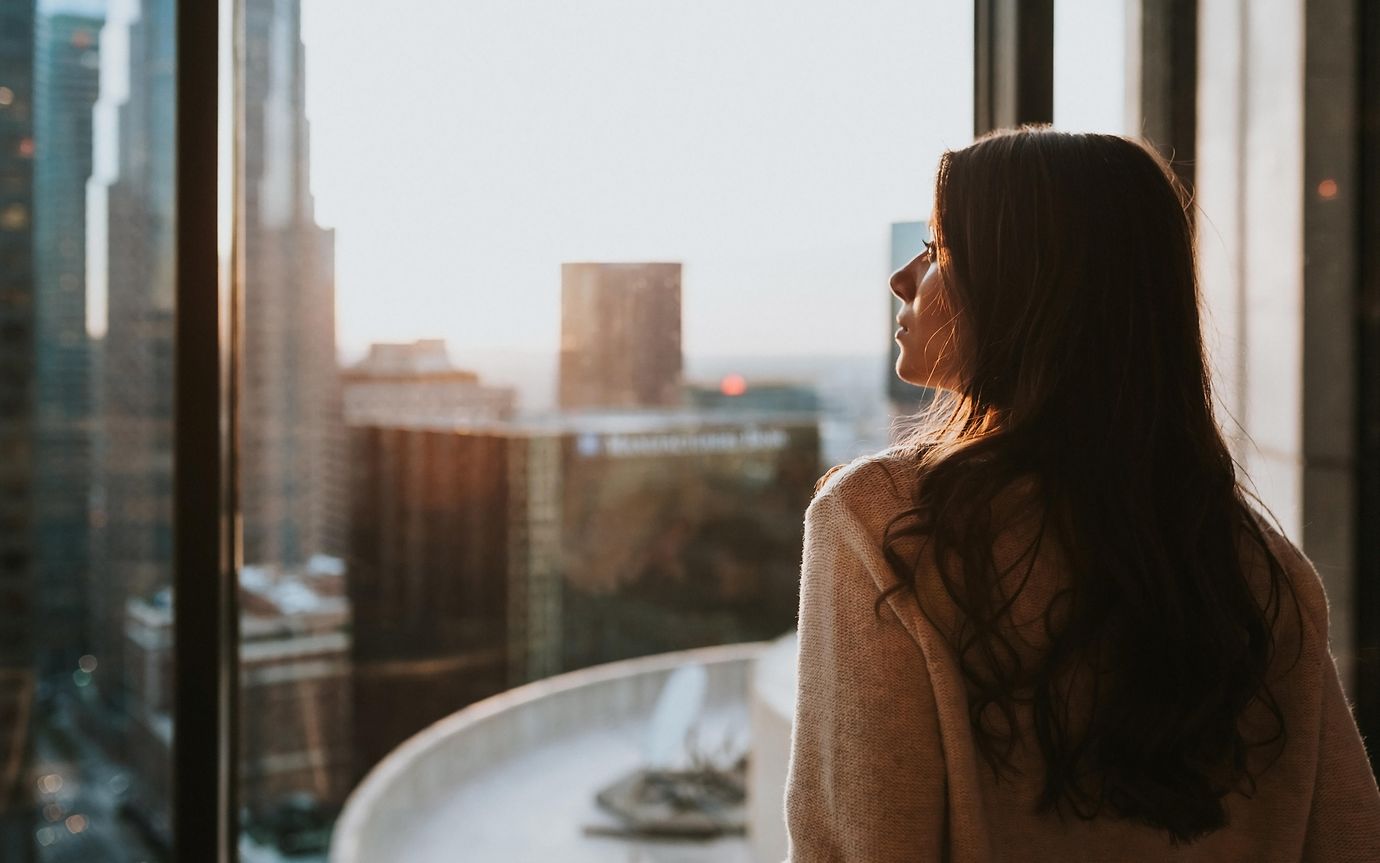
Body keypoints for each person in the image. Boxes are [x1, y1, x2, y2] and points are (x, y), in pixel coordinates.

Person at [783, 128, 1380, 862]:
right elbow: (1348, 836)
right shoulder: (1261, 569)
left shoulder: (886, 526)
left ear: (1028, 288)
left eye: (939, 248)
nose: (903, 277)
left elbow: (863, 842)